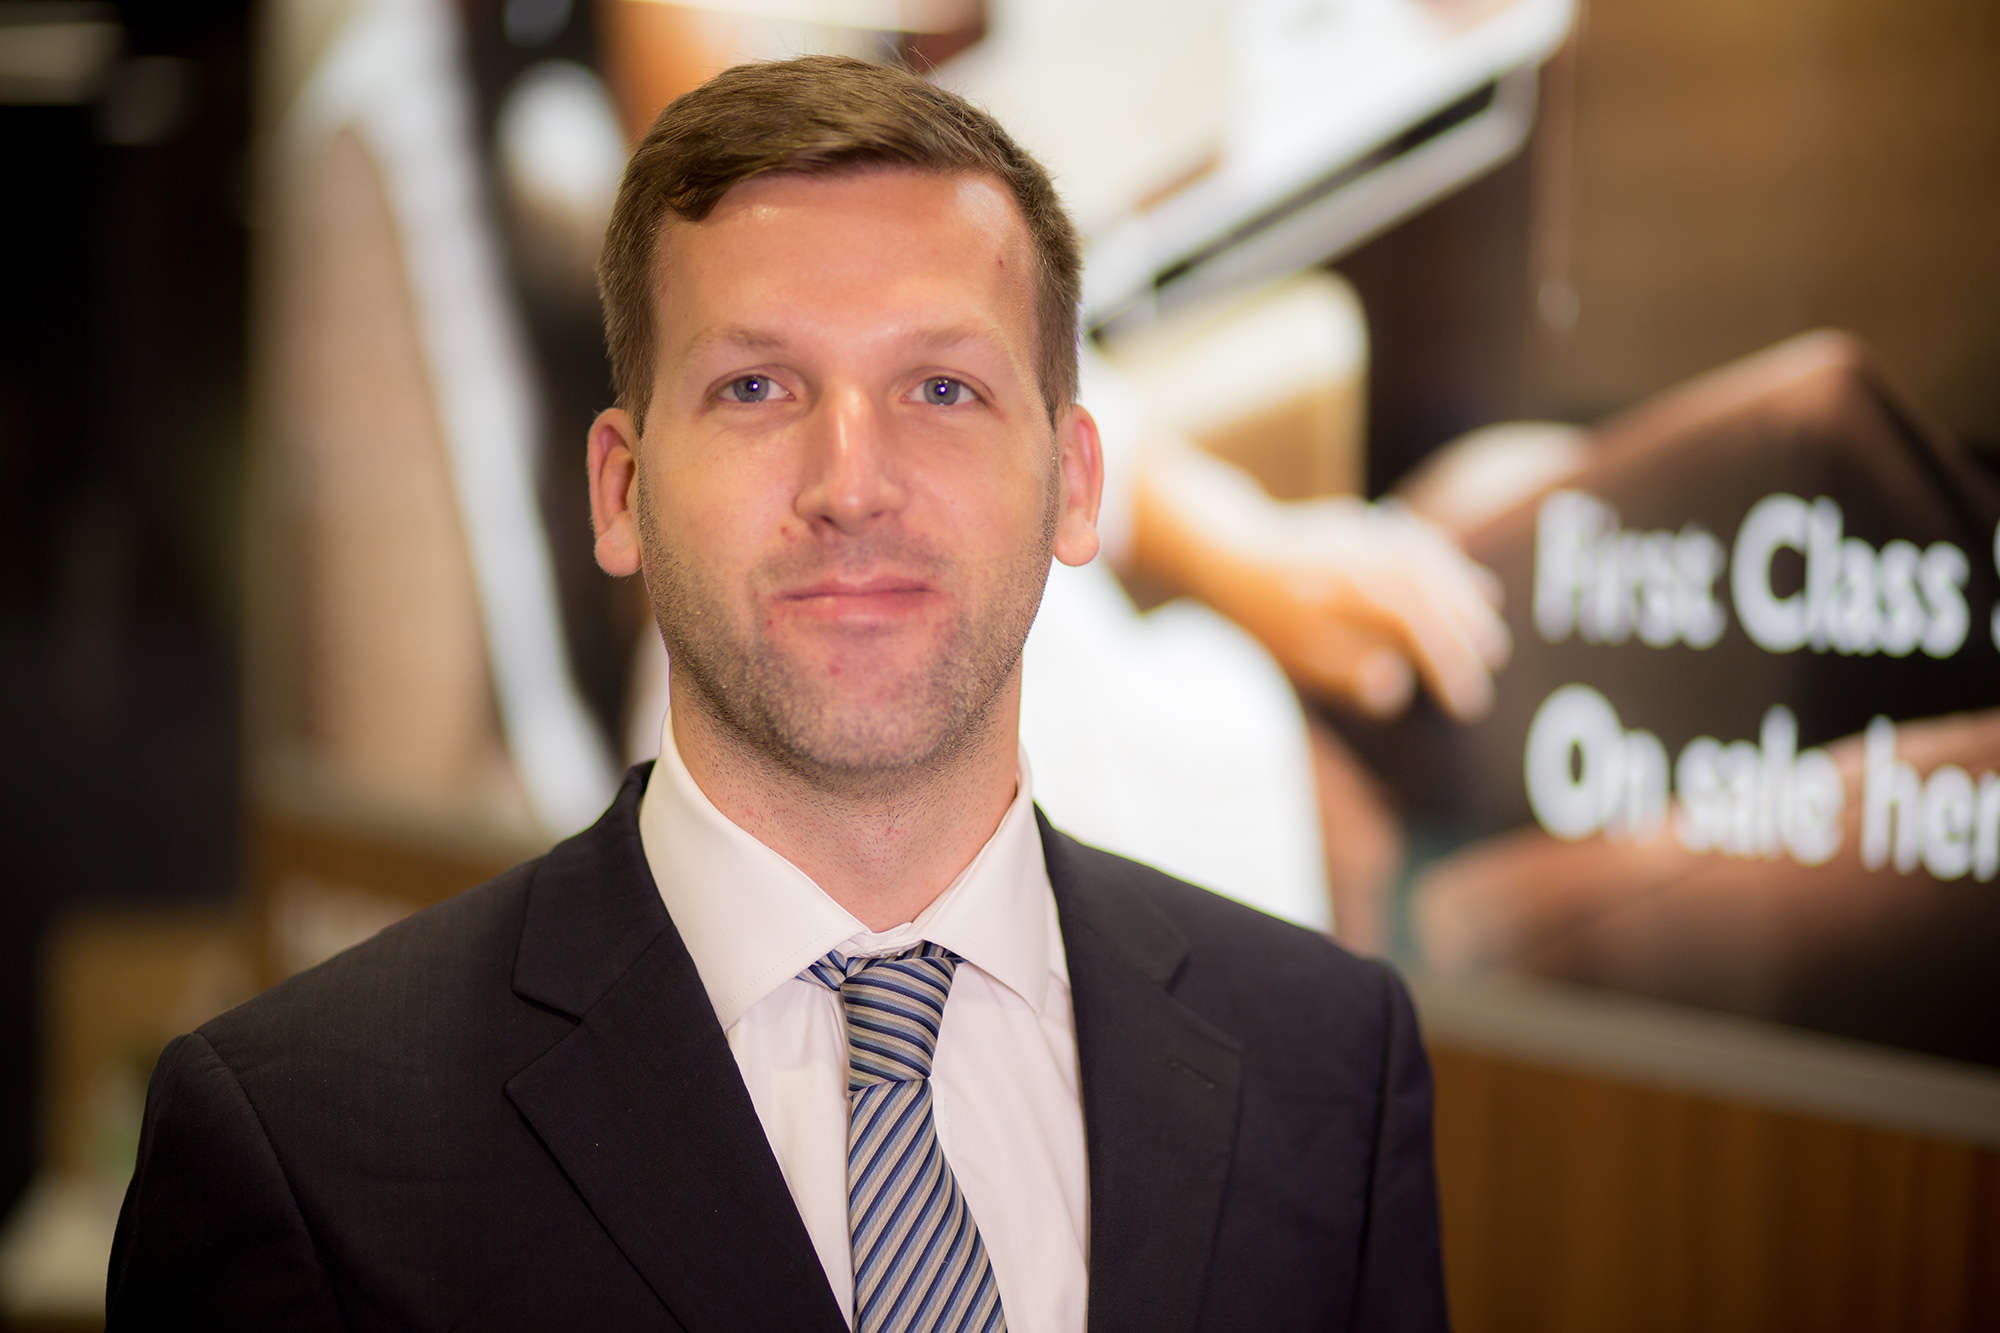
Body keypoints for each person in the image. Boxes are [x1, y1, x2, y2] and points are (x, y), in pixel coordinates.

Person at [107, 55, 1448, 1330]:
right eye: (755, 387)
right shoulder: (300, 1146)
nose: (852, 485)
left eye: (942, 387)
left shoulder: (1330, 1066)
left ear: (1076, 482)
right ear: (621, 490)